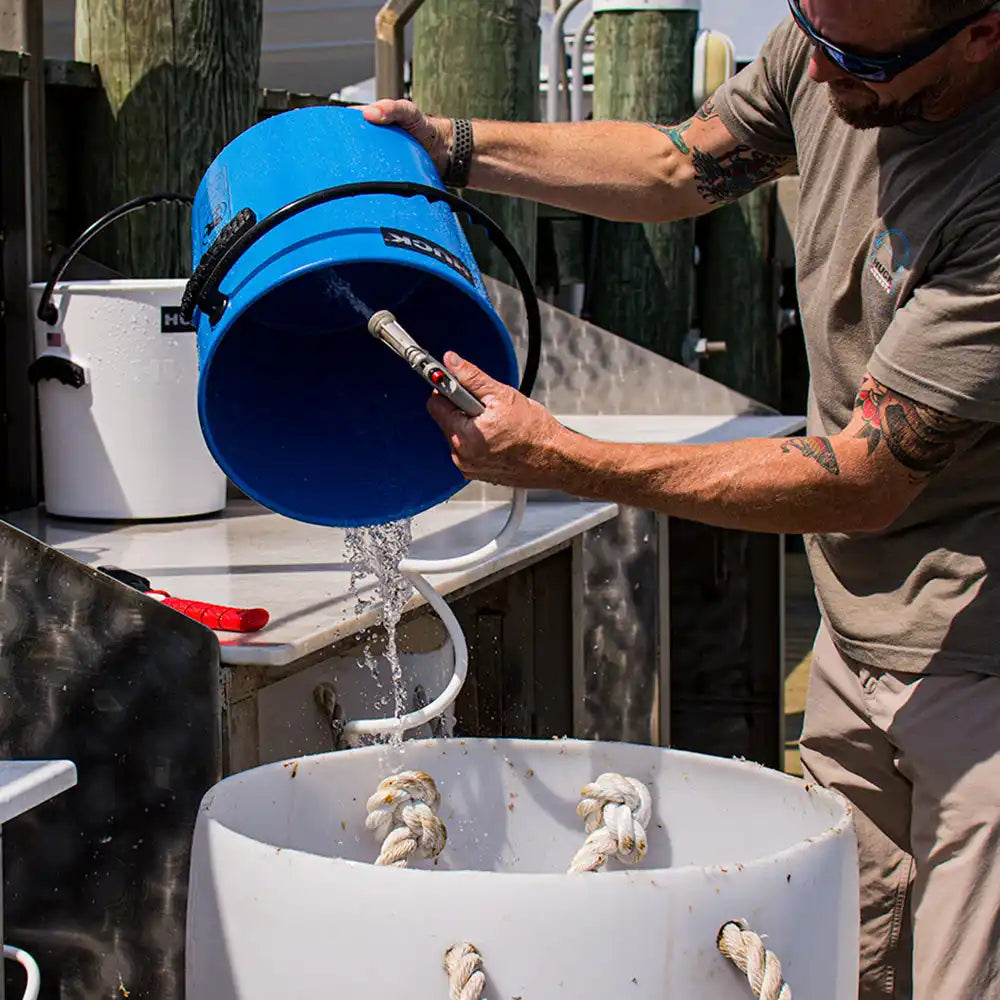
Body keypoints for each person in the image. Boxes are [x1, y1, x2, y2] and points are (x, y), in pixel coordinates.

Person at [362, 2, 1000, 996]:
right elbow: (675, 164)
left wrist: (570, 457)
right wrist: (451, 147)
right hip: (856, 636)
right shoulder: (835, 35)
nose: (820, 80)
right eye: (811, 37)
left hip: (979, 667)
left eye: (858, 63)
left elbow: (865, 478)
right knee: (840, 965)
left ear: (982, 32)